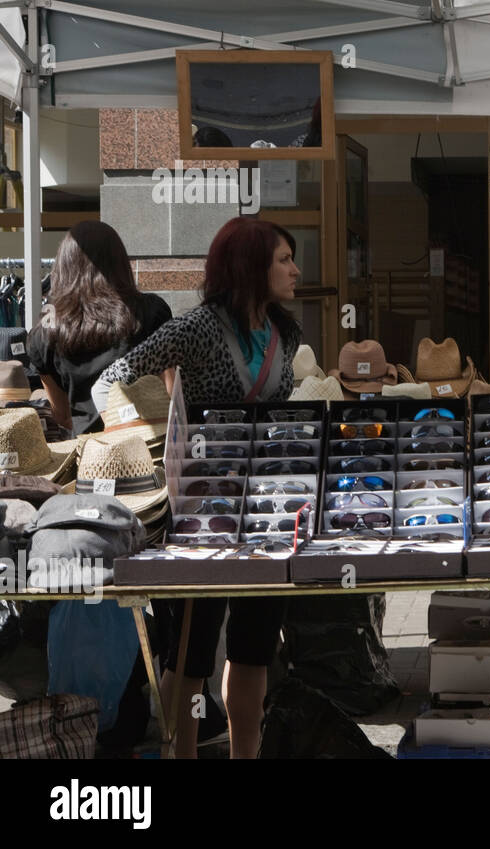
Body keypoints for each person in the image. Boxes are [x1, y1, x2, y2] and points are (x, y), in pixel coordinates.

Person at [93, 217, 302, 759]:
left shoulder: (287, 334)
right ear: (251, 265)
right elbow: (111, 379)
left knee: (255, 647)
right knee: (191, 652)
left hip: (267, 512)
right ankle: (180, 753)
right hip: (199, 513)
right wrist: (156, 434)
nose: (295, 270)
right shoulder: (200, 328)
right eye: (284, 259)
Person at [27, 220, 172, 434]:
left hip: (92, 457)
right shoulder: (151, 312)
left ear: (63, 266)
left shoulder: (44, 333)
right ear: (120, 263)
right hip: (147, 445)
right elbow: (170, 391)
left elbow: (62, 416)